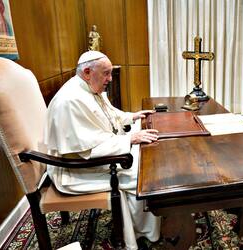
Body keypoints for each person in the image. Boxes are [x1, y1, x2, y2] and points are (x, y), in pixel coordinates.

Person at [44, 51, 160, 249]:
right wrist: (129, 139)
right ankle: (142, 234)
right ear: (87, 72)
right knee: (145, 176)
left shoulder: (88, 89)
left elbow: (109, 114)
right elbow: (88, 149)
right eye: (106, 73)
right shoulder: (71, 101)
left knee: (147, 156)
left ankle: (142, 226)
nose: (110, 79)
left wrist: (131, 117)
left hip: (91, 159)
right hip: (75, 170)